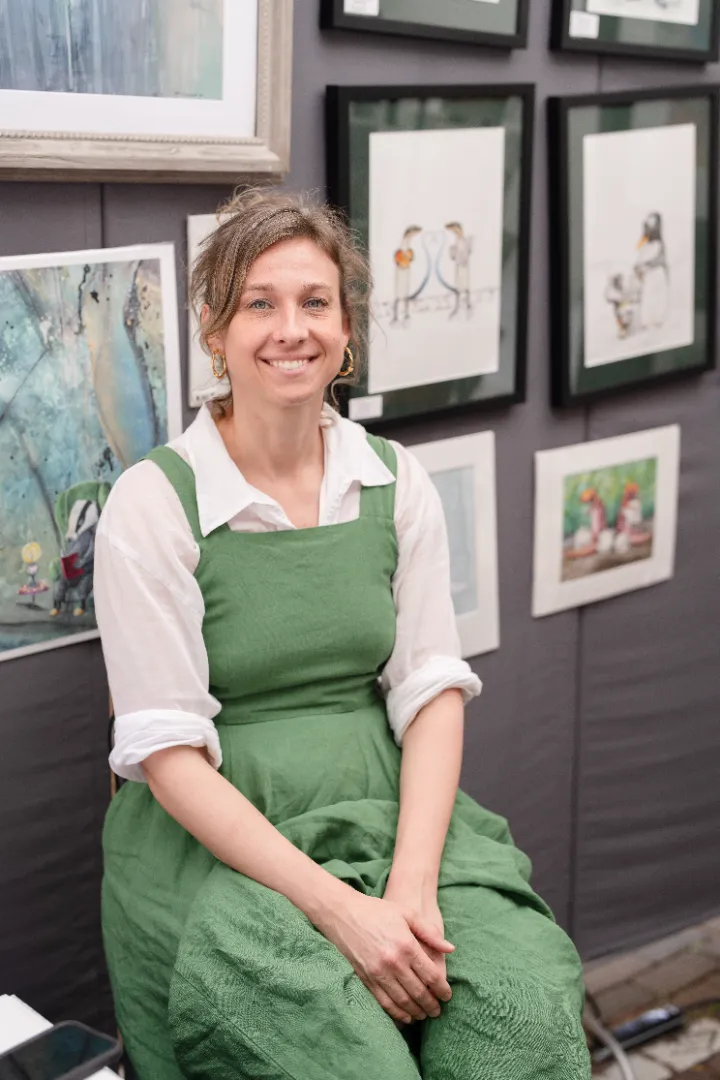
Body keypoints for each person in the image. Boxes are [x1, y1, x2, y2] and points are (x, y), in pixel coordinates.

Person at [94, 188, 590, 1080]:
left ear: (347, 325)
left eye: (315, 302)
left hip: (388, 812)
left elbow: (431, 689)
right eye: (260, 303)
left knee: (517, 1021)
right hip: (220, 844)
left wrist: (408, 888)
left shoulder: (395, 481)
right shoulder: (154, 504)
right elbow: (167, 756)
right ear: (214, 330)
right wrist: (342, 913)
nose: (292, 328)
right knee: (346, 1061)